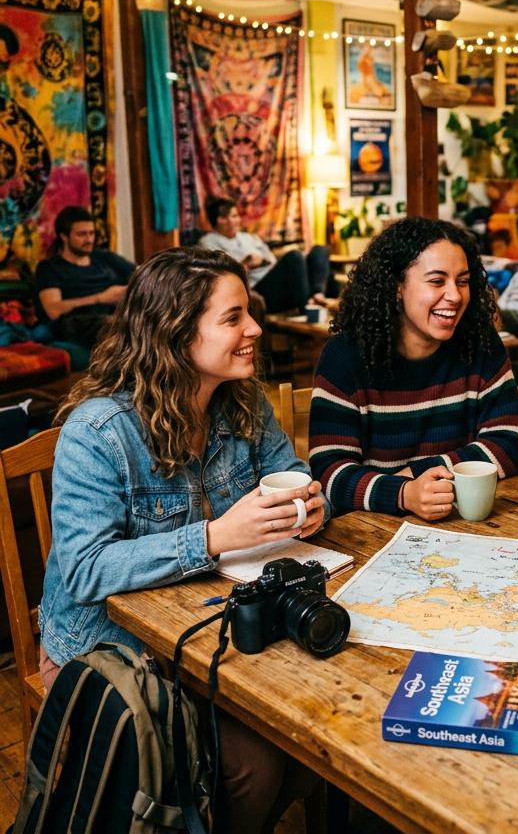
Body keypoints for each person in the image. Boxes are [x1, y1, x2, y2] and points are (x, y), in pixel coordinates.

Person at [39, 247, 327, 832]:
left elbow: (289, 469)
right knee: (253, 763)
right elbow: (86, 570)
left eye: (249, 313)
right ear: (174, 334)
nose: (254, 328)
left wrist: (309, 504)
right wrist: (216, 536)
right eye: (233, 318)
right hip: (112, 649)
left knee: (314, 740)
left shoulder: (240, 403)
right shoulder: (96, 433)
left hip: (211, 624)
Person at [308, 216, 518, 520]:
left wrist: (417, 473)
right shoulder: (345, 355)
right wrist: (403, 494)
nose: (454, 295)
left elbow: (510, 440)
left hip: (461, 525)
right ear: (396, 286)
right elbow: (329, 472)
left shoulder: (479, 341)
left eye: (463, 281)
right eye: (437, 281)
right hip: (371, 530)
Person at [198, 196, 335, 314]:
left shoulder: (250, 238)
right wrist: (245, 264)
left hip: (275, 278)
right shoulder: (208, 243)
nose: (239, 220)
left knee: (320, 250)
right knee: (294, 256)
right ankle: (306, 307)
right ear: (221, 219)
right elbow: (217, 277)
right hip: (259, 290)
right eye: (234, 216)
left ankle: (318, 295)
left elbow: (271, 260)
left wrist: (262, 261)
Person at [35, 205, 136, 350]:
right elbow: (53, 310)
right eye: (82, 234)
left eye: (92, 233)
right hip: (77, 321)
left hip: (116, 314)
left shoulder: (105, 257)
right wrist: (101, 298)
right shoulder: (49, 268)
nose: (89, 239)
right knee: (118, 325)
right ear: (64, 236)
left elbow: (143, 275)